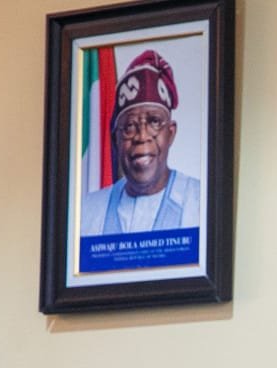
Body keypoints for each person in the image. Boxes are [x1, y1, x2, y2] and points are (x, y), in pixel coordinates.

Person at [80, 49, 201, 236]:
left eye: (154, 122)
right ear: (115, 140)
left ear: (170, 133)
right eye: (129, 126)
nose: (142, 136)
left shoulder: (201, 201)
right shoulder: (88, 211)